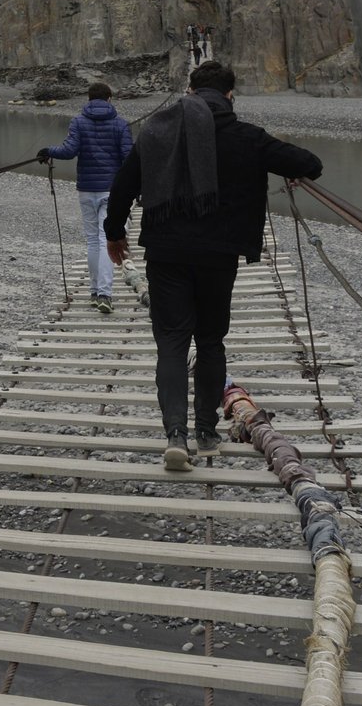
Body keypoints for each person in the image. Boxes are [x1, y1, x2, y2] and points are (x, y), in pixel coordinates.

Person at [102, 60, 322, 472]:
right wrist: (292, 174)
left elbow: (123, 184)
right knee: (210, 340)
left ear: (189, 90)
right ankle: (206, 431)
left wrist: (114, 233)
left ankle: (174, 435)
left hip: (166, 251)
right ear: (230, 95)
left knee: (171, 342)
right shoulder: (246, 136)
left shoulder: (157, 131)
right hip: (219, 255)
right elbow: (308, 162)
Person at [35, 82, 134, 314]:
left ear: (88, 100)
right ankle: (105, 294)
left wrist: (48, 151)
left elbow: (69, 151)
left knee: (92, 240)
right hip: (112, 191)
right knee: (105, 239)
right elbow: (129, 159)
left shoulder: (78, 122)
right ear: (110, 99)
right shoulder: (120, 125)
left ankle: (93, 291)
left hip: (87, 189)